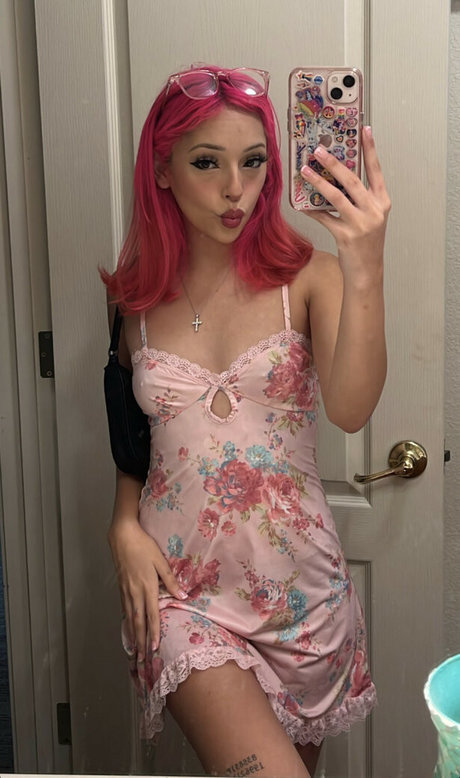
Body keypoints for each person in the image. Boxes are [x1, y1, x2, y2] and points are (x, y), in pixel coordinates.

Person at [102, 65, 390, 778]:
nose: (237, 188)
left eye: (253, 162)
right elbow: (134, 443)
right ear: (162, 170)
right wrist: (122, 526)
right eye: (208, 163)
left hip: (303, 601)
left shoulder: (311, 278)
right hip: (183, 598)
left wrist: (364, 262)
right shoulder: (134, 302)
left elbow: (351, 409)